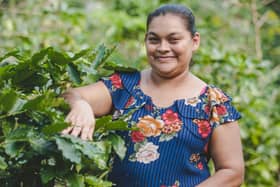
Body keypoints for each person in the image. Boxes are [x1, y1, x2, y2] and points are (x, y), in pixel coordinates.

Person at [62, 4, 244, 187]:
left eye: (173, 40)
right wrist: (80, 105)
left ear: (194, 41)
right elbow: (71, 95)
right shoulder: (124, 86)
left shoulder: (213, 102)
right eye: (154, 40)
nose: (163, 48)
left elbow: (232, 172)